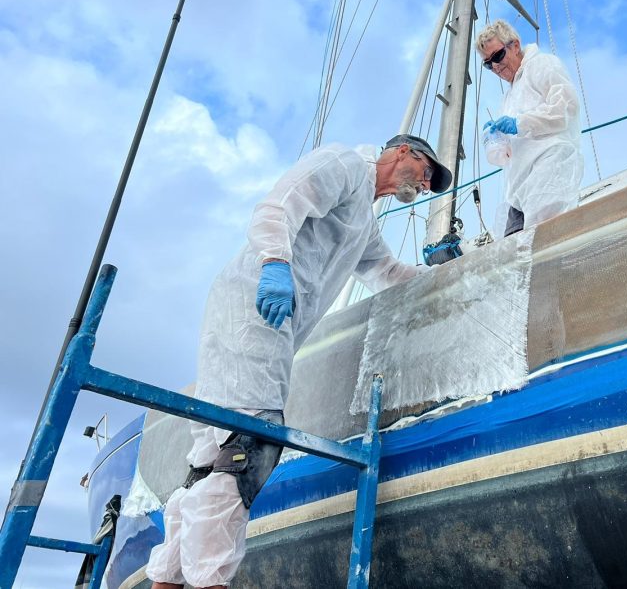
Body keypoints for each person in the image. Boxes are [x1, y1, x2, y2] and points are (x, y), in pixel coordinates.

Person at [147, 135, 452, 589]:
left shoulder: (363, 222)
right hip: (257, 306)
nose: (426, 184)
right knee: (249, 442)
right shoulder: (345, 165)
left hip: (260, 321)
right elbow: (279, 207)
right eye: (427, 171)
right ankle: (211, 581)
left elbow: (386, 273)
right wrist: (275, 263)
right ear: (403, 151)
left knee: (211, 456)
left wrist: (441, 272)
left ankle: (166, 581)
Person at [476, 19, 584, 236]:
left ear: (515, 46)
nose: (495, 67)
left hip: (548, 171)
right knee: (514, 251)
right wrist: (497, 141)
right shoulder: (508, 97)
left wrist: (519, 123)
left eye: (497, 56)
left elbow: (566, 108)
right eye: (488, 64)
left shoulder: (542, 65)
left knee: (545, 242)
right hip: (518, 194)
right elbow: (510, 150)